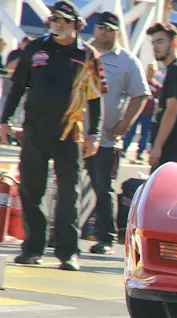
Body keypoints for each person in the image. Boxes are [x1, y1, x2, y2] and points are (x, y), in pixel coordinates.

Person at [0, 0, 107, 271]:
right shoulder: (35, 48)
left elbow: (96, 99)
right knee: (31, 192)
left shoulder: (88, 55)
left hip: (69, 134)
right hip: (34, 131)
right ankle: (32, 248)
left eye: (65, 20)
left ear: (77, 25)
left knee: (69, 194)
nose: (59, 24)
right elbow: (17, 87)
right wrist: (4, 121)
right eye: (55, 19)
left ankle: (68, 252)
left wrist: (94, 134)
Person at [87, 12, 149, 255]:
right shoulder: (81, 51)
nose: (104, 33)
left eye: (110, 29)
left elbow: (140, 95)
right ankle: (59, 234)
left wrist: (126, 123)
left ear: (118, 33)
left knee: (104, 188)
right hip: (74, 134)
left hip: (105, 138)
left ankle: (105, 237)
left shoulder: (127, 61)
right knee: (65, 186)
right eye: (101, 27)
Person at [146, 22, 177, 171]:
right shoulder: (176, 69)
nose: (155, 47)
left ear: (174, 43)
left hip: (170, 150)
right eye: (153, 42)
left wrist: (157, 148)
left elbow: (171, 111)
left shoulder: (176, 70)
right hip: (170, 150)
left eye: (160, 41)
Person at [122, 62, 162, 162]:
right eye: (149, 70)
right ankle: (124, 148)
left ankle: (140, 152)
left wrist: (156, 112)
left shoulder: (157, 86)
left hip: (148, 113)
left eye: (153, 71)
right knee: (131, 131)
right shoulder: (142, 82)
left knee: (145, 134)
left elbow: (159, 100)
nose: (150, 73)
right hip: (138, 112)